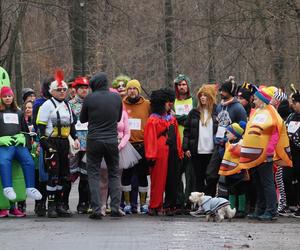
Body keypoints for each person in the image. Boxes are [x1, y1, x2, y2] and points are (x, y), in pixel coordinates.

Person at [239, 86, 292, 221]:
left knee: (267, 183)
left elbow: (275, 133)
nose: (254, 101)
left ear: (262, 100)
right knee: (258, 182)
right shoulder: (258, 112)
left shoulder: (271, 113)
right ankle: (260, 209)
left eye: (256, 99)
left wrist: (269, 151)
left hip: (265, 155)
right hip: (254, 155)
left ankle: (271, 210)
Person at [37, 70, 80, 218]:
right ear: (52, 91)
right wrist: (46, 145)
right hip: (51, 142)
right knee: (53, 176)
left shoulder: (68, 105)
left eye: (64, 90)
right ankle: (52, 205)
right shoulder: (47, 105)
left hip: (64, 143)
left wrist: (75, 138)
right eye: (59, 90)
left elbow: (72, 125)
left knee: (64, 175)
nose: (62, 92)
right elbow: (40, 129)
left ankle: (61, 204)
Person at [80, 72, 123, 219]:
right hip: (112, 140)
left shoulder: (89, 98)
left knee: (93, 174)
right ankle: (116, 207)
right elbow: (118, 119)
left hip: (94, 140)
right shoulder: (117, 97)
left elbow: (83, 118)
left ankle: (97, 209)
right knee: (114, 173)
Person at [206, 76, 247, 197]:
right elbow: (217, 124)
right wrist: (215, 137)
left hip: (231, 147)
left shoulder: (238, 108)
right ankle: (210, 202)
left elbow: (243, 128)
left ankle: (230, 204)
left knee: (231, 177)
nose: (220, 92)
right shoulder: (219, 106)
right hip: (218, 146)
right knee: (211, 174)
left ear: (229, 92)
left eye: (223, 90)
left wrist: (230, 140)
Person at [0, 86, 42, 206]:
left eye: (9, 96)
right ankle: (7, 187)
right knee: (4, 161)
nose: (7, 98)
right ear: (1, 98)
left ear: (13, 97)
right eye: (5, 96)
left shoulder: (18, 112)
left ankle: (30, 187)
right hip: (5, 145)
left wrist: (23, 138)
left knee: (28, 161)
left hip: (18, 144)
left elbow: (25, 131)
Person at [144, 88, 183, 216]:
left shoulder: (172, 119)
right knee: (158, 181)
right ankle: (155, 205)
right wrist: (151, 156)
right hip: (159, 155)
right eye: (167, 102)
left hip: (171, 152)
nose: (170, 104)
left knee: (172, 180)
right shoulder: (153, 120)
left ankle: (169, 205)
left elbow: (177, 136)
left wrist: (179, 152)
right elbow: (150, 139)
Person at [122, 79, 151, 214]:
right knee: (126, 175)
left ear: (139, 90)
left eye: (134, 88)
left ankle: (143, 204)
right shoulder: (121, 104)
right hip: (127, 145)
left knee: (142, 175)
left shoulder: (147, 104)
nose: (132, 91)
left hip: (142, 145)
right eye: (130, 88)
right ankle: (127, 204)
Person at [183, 84, 217, 194]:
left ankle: (210, 202)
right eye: (201, 95)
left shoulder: (217, 112)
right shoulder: (193, 113)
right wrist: (186, 147)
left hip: (212, 152)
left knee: (211, 178)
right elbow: (186, 131)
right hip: (197, 151)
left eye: (205, 95)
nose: (202, 98)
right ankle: (201, 205)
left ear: (211, 97)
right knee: (198, 179)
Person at [173, 74, 197, 213]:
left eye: (184, 84)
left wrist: (180, 118)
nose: (182, 87)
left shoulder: (193, 100)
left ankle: (189, 202)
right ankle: (179, 201)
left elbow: (194, 117)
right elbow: (171, 116)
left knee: (190, 175)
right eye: (179, 85)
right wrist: (185, 118)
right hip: (176, 143)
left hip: (190, 144)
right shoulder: (173, 101)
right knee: (176, 175)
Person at [68, 76, 91, 214]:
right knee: (70, 174)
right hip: (74, 144)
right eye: (81, 88)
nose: (84, 90)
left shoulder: (91, 103)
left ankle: (84, 203)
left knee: (86, 175)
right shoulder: (70, 104)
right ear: (75, 90)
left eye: (86, 88)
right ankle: (63, 203)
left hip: (88, 144)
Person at [219, 121, 248, 218]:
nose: (226, 134)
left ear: (235, 135)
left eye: (228, 132)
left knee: (241, 190)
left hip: (239, 171)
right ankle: (231, 209)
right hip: (229, 172)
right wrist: (222, 147)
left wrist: (229, 148)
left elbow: (239, 152)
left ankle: (241, 210)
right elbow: (222, 155)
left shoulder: (240, 143)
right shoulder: (228, 143)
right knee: (231, 190)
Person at [285, 88, 300, 218]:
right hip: (289, 154)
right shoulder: (291, 116)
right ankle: (292, 204)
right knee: (287, 178)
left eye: (295, 102)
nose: (293, 105)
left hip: (298, 153)